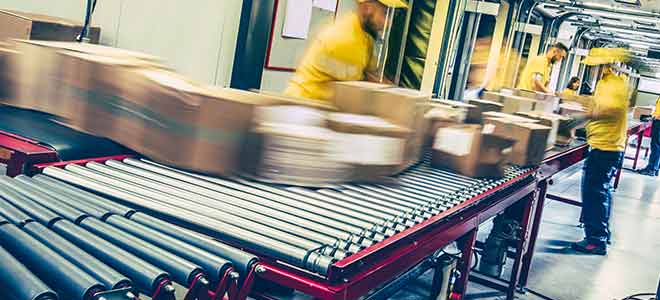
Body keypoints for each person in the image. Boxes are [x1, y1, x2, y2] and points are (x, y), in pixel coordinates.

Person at [284, 0, 407, 103]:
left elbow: (368, 75)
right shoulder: (345, 38)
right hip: (303, 106)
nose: (388, 22)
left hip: (317, 108)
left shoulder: (363, 36)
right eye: (385, 13)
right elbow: (358, 90)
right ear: (368, 8)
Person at [570, 48, 631, 255]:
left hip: (606, 147)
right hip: (604, 144)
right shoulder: (607, 83)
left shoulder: (614, 84)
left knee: (594, 194)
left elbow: (611, 110)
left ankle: (596, 240)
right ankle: (602, 233)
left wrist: (581, 117)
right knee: (601, 191)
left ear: (603, 65)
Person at [637, 95, 660, 177]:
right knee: (657, 146)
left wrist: (656, 117)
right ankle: (655, 168)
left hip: (659, 122)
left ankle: (651, 169)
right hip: (657, 120)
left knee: (656, 146)